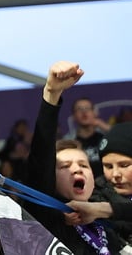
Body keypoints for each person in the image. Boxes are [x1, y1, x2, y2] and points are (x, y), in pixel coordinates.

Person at [22, 61, 130, 254]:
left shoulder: (106, 220)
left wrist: (101, 210)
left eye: (83, 165)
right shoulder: (45, 217)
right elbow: (41, 159)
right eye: (64, 166)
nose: (77, 169)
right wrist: (51, 94)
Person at [67, 123, 132, 245]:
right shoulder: (94, 197)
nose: (115, 174)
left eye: (124, 165)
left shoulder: (99, 207)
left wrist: (104, 209)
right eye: (108, 166)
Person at [65, 96, 112, 178]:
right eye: (79, 109)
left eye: (87, 108)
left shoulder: (106, 137)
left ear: (95, 112)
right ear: (73, 116)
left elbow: (125, 139)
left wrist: (103, 126)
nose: (84, 112)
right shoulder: (68, 142)